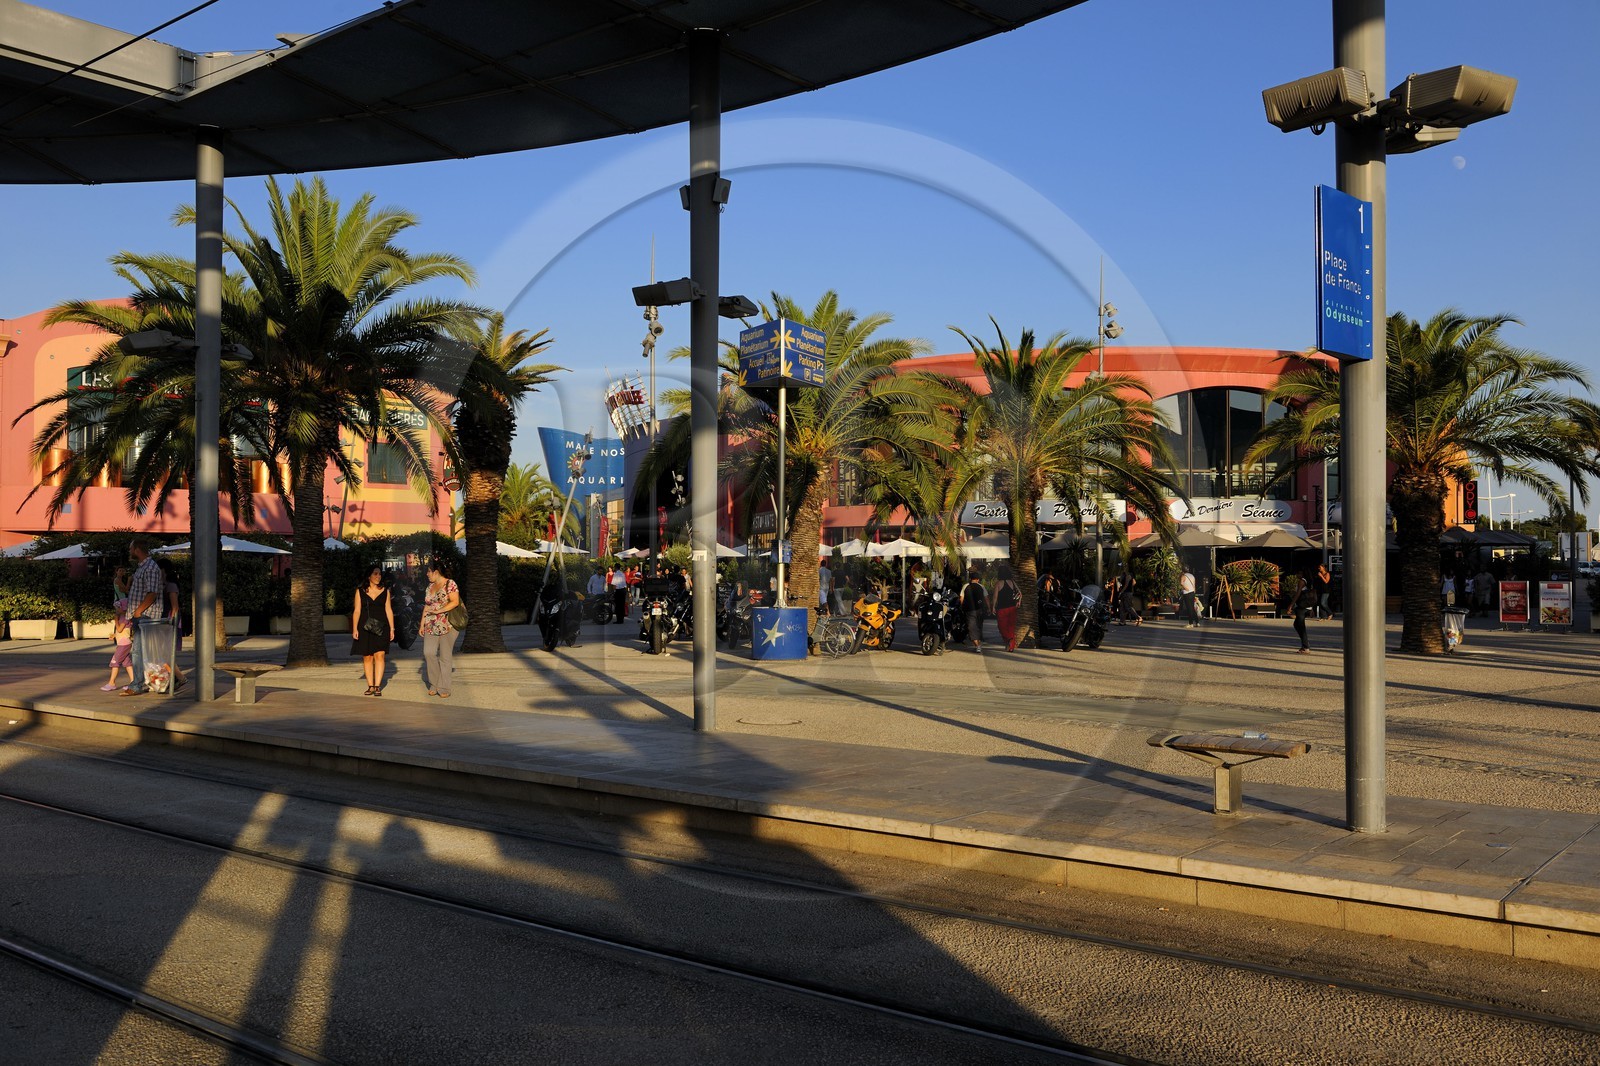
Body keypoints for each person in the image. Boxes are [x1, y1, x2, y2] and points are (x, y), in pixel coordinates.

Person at [120, 536, 166, 696]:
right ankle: (144, 682)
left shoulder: (150, 568)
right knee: (142, 651)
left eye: (131, 548)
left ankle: (138, 684)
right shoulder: (142, 567)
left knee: (139, 651)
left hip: (146, 616)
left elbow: (152, 592)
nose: (129, 551)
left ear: (137, 550)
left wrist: (139, 611)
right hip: (140, 615)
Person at [419, 558, 461, 698]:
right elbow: (427, 605)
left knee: (445, 656)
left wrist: (439, 611)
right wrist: (422, 623)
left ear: (436, 572)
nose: (427, 574)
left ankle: (444, 687)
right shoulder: (429, 587)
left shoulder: (450, 584)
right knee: (428, 653)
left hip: (448, 624)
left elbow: (454, 602)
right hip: (431, 623)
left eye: (429, 571)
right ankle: (434, 682)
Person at [351, 565, 396, 696]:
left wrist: (392, 628)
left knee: (380, 655)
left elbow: (388, 610)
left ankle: (377, 686)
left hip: (382, 626)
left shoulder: (385, 591)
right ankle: (370, 686)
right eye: (375, 574)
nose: (378, 576)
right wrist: (354, 628)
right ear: (369, 576)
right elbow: (357, 610)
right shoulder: (360, 591)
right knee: (367, 656)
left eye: (379, 574)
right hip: (364, 626)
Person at [156, 557, 189, 692]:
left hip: (169, 622)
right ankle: (175, 678)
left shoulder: (171, 585)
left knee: (166, 653)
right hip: (166, 621)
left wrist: (171, 623)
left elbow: (174, 607)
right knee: (165, 653)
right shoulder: (165, 584)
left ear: (163, 569)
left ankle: (180, 677)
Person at [102, 598, 135, 691]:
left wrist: (115, 620)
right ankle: (133, 682)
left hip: (124, 644)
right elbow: (121, 631)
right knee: (127, 663)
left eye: (118, 608)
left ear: (124, 608)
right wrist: (115, 635)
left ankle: (111, 683)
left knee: (115, 662)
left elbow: (120, 629)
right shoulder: (122, 617)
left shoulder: (126, 618)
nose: (116, 610)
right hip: (123, 643)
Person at [993, 563, 1020, 651]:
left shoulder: (998, 583)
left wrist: (993, 606)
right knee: (1011, 626)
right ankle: (1010, 644)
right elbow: (1020, 593)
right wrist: (1018, 602)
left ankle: (1009, 640)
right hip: (1012, 607)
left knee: (1001, 627)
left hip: (1002, 608)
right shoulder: (1012, 582)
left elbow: (995, 596)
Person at [960, 570, 989, 652]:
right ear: (978, 579)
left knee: (971, 628)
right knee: (978, 626)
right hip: (980, 610)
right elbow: (986, 598)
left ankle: (977, 644)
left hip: (969, 610)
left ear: (970, 579)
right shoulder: (982, 587)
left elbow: (961, 598)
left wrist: (961, 606)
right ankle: (978, 644)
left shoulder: (965, 586)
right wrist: (989, 608)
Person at [1291, 571, 1316, 653]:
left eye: (1297, 573)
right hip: (1307, 606)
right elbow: (1311, 595)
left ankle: (1305, 646)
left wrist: (1291, 605)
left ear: (1301, 574)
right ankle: (1305, 644)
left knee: (1301, 626)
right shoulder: (1309, 582)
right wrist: (1312, 608)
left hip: (1302, 607)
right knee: (1297, 624)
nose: (1296, 575)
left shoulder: (1301, 581)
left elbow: (1298, 594)